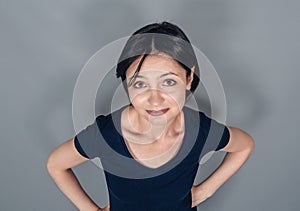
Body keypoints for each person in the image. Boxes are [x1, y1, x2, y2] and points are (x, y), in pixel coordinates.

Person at [46, 21, 255, 211]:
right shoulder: (107, 133)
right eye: (140, 84)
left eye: (169, 82)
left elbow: (244, 145)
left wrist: (206, 190)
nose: (155, 100)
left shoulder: (199, 129)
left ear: (189, 78)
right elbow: (56, 164)